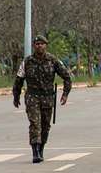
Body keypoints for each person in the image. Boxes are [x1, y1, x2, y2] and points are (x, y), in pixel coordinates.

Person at [13, 35, 72, 164]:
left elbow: (67, 77)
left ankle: (41, 149)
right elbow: (19, 79)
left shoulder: (53, 60)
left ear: (46, 45)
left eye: (42, 44)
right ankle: (35, 152)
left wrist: (65, 94)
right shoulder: (27, 61)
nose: (39, 46)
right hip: (32, 97)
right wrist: (16, 96)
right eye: (37, 44)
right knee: (35, 124)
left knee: (45, 126)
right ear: (34, 46)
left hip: (47, 98)